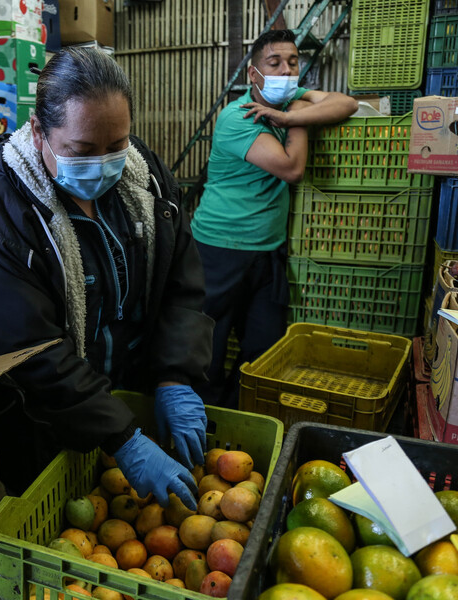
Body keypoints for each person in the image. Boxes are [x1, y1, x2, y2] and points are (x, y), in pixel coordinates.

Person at [0, 47, 214, 509]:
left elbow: (179, 282)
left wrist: (175, 376)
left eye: (117, 146)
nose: (103, 164)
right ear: (39, 133)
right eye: (82, 150)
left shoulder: (146, 181)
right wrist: (123, 438)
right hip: (45, 425)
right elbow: (31, 354)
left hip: (134, 397)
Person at [191, 29, 358, 408]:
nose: (286, 69)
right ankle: (203, 419)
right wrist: (295, 118)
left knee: (263, 346)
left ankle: (237, 412)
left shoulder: (289, 101)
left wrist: (288, 111)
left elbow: (345, 103)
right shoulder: (239, 117)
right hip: (220, 248)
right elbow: (290, 167)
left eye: (292, 62)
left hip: (268, 250)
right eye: (274, 63)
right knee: (209, 346)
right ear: (254, 75)